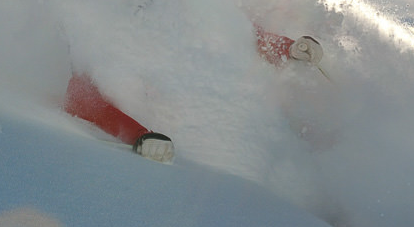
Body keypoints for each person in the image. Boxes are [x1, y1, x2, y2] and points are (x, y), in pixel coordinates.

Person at [63, 26, 323, 163]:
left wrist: (289, 48)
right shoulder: (95, 29)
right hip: (197, 150)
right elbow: (81, 99)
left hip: (249, 127)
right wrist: (139, 136)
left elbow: (239, 30)